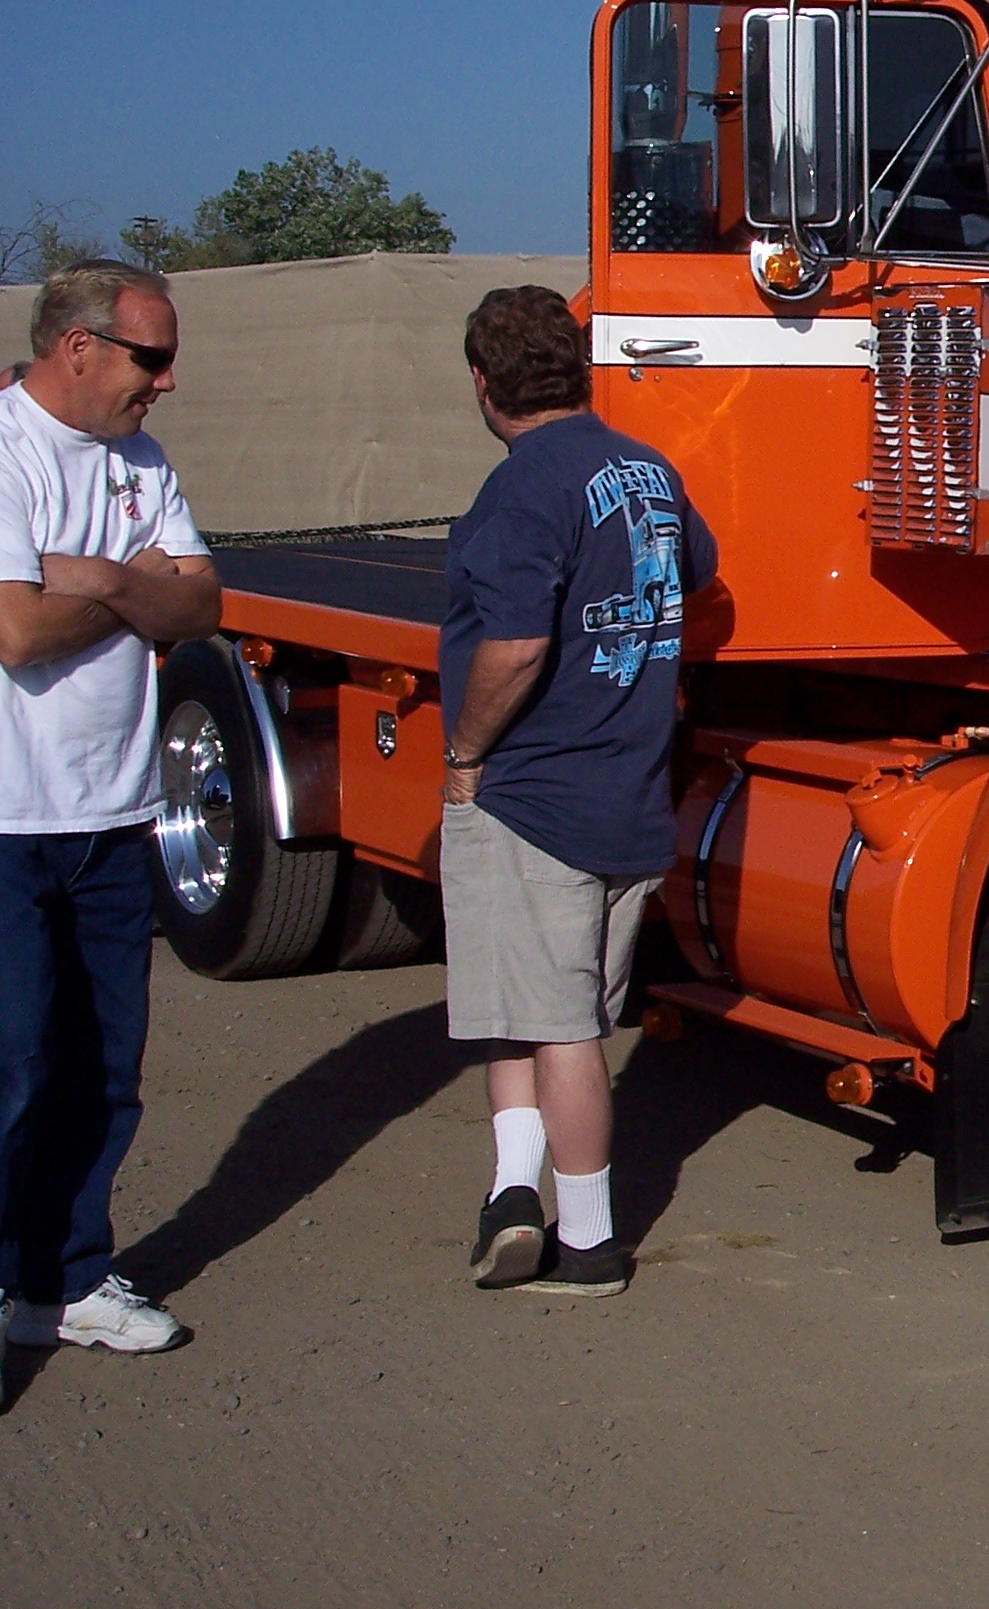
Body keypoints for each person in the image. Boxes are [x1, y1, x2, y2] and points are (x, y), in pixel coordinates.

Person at [0, 260, 219, 1417]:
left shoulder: (143, 463)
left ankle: (67, 1278)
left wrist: (101, 580)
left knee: (103, 1066)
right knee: (7, 1058)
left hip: (114, 806)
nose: (165, 381)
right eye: (151, 358)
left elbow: (202, 605)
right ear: (78, 346)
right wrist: (133, 585)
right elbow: (17, 633)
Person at [439, 286, 714, 1297]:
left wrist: (465, 753)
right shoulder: (648, 470)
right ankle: (511, 1194)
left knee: (560, 1032)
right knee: (522, 1005)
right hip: (627, 790)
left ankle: (590, 1241)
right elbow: (693, 573)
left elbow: (514, 646)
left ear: (484, 383)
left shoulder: (521, 488)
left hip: (535, 795)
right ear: (578, 369)